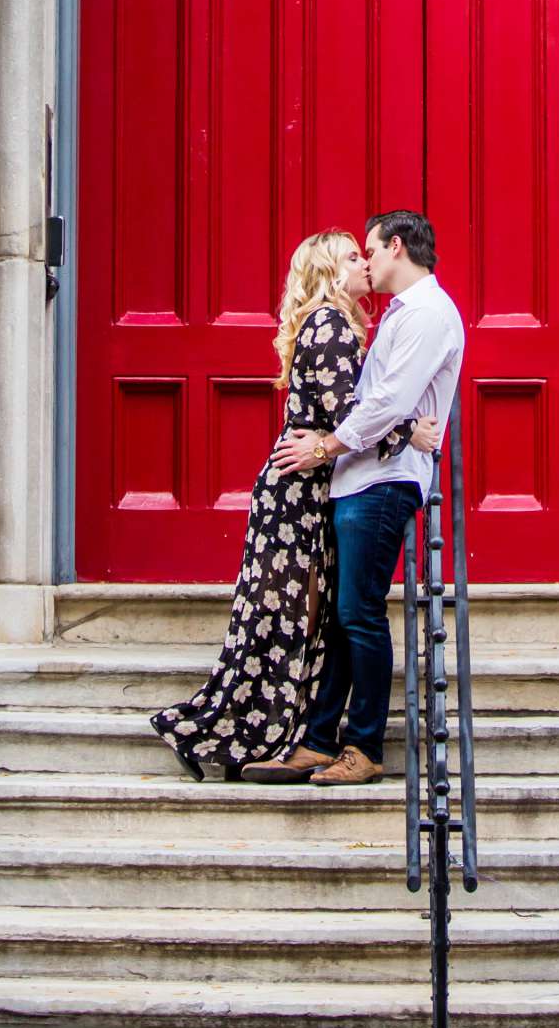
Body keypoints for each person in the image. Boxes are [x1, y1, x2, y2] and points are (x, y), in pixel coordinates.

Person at [147, 229, 436, 780]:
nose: (365, 263)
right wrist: (410, 433)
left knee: (309, 621)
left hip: (311, 491)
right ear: (329, 271)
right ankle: (222, 732)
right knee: (280, 624)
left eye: (366, 251)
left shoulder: (337, 325)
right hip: (297, 498)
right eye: (353, 257)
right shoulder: (329, 326)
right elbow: (346, 413)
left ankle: (283, 733)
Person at [245, 209, 465, 789]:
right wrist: (338, 449)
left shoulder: (428, 315)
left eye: (369, 250)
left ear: (396, 247)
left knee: (360, 616)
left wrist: (326, 446)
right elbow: (374, 402)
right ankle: (319, 741)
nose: (365, 261)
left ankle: (363, 746)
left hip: (383, 482)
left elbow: (389, 401)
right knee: (345, 620)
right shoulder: (399, 314)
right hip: (356, 478)